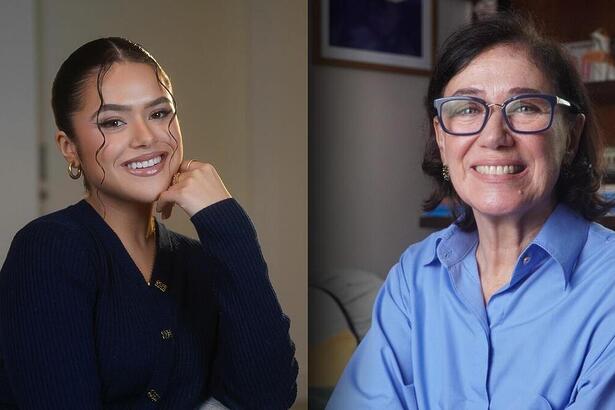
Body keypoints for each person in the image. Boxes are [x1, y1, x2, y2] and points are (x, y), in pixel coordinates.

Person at [327, 13, 615, 409]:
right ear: (441, 139)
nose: (494, 136)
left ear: (571, 136)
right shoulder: (415, 278)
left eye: (525, 107)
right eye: (466, 109)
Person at [0, 37, 297, 409]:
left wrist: (225, 222)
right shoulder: (48, 250)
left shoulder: (197, 262)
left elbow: (267, 397)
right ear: (69, 147)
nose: (146, 138)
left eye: (159, 113)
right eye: (114, 121)